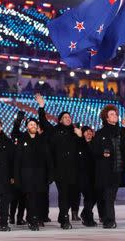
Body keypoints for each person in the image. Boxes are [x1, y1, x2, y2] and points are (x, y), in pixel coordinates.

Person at [35, 94, 81, 229]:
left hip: (74, 169)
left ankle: (63, 216)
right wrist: (42, 107)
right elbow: (43, 121)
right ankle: (65, 219)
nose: (68, 119)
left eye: (69, 117)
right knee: (64, 194)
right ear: (60, 120)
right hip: (60, 169)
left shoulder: (75, 132)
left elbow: (82, 150)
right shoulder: (54, 131)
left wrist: (80, 137)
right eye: (65, 117)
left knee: (72, 194)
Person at [92, 104, 125, 229]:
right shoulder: (100, 133)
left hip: (118, 169)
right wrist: (102, 153)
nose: (114, 116)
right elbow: (94, 150)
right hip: (105, 169)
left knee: (110, 196)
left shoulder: (120, 132)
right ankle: (109, 220)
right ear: (106, 118)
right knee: (108, 196)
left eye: (115, 114)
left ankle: (105, 217)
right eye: (111, 114)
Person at [12, 113, 53, 231]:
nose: (33, 126)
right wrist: (18, 120)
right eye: (30, 124)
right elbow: (17, 161)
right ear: (27, 127)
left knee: (40, 198)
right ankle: (32, 220)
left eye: (35, 124)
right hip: (26, 176)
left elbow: (48, 159)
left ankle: (38, 218)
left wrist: (51, 175)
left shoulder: (43, 139)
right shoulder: (22, 139)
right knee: (30, 199)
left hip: (41, 176)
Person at [75, 126, 98, 227]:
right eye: (86, 131)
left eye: (90, 131)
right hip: (82, 175)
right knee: (89, 197)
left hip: (95, 175)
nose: (89, 133)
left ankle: (85, 213)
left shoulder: (96, 143)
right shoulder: (79, 144)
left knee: (93, 197)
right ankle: (88, 217)